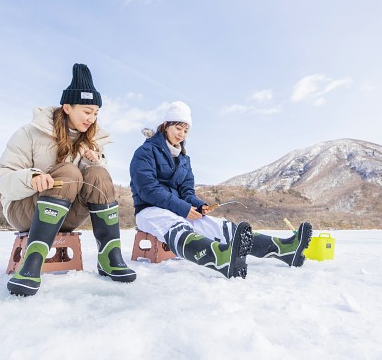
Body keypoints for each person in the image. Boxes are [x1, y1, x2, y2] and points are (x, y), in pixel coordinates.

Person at [0, 63, 136, 296]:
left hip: (67, 214)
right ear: (67, 107)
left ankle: (110, 255)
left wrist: (94, 162)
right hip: (25, 209)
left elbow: (98, 184)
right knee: (68, 171)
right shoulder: (30, 133)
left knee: (99, 173)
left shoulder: (92, 141)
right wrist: (32, 178)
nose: (92, 119)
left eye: (96, 113)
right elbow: (2, 178)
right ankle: (32, 262)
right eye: (87, 112)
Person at [129, 101, 312, 279]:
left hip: (177, 209)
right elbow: (148, 190)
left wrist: (199, 206)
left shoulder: (184, 160)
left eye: (186, 130)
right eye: (178, 128)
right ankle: (220, 259)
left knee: (218, 226)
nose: (182, 134)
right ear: (166, 125)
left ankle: (285, 249)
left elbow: (187, 192)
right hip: (149, 210)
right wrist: (183, 208)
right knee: (177, 226)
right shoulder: (145, 152)